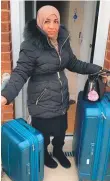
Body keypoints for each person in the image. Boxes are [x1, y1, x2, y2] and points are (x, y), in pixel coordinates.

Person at [1, 5, 105, 169]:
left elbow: (73, 63)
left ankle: (58, 151)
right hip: (41, 101)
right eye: (47, 21)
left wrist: (99, 70)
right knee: (42, 135)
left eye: (55, 21)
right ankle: (44, 156)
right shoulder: (30, 46)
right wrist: (5, 96)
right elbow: (20, 73)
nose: (52, 26)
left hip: (60, 98)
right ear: (39, 24)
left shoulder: (62, 41)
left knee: (60, 131)